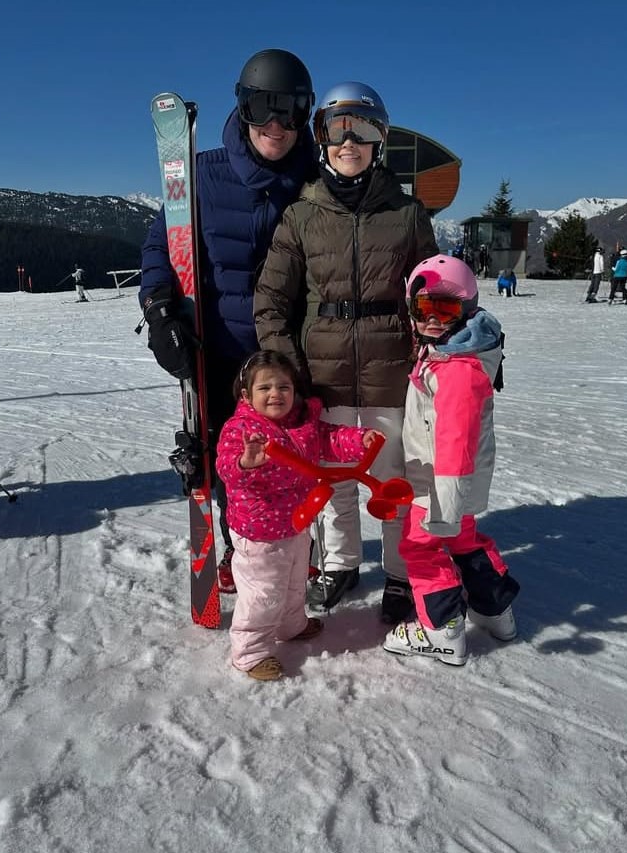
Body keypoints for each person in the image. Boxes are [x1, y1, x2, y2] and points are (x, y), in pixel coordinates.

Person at [254, 81, 439, 621]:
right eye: (337, 130)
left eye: (361, 130)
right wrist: (287, 367)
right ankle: (340, 564)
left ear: (378, 140)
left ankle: (401, 575)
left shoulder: (406, 215)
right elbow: (271, 299)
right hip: (322, 374)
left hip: (390, 372)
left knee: (391, 478)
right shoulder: (302, 214)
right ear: (322, 140)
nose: (348, 142)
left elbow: (431, 292)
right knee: (331, 480)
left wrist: (444, 351)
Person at [139, 49, 316, 594]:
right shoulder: (204, 175)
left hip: (287, 352)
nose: (277, 126)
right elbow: (161, 246)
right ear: (242, 108)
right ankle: (237, 548)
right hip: (218, 347)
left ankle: (294, 550)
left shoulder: (318, 180)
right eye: (264, 108)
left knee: (293, 457)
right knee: (230, 459)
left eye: (290, 111)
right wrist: (160, 308)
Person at [382, 255, 519, 665]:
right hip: (456, 480)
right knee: (464, 540)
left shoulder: (457, 369)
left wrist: (443, 504)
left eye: (447, 309)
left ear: (468, 310)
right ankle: (496, 612)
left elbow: (456, 440)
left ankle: (441, 630)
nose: (435, 319)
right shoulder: (450, 351)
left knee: (420, 547)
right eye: (425, 308)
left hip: (441, 481)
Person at [215, 350, 382, 681]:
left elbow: (329, 437)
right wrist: (247, 462)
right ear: (247, 395)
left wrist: (359, 440)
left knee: (293, 583)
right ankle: (250, 651)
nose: (275, 394)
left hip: (296, 522)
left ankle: (292, 625)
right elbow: (227, 469)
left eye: (283, 387)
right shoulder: (243, 430)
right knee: (264, 593)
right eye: (265, 389)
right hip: (258, 531)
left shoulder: (302, 423)